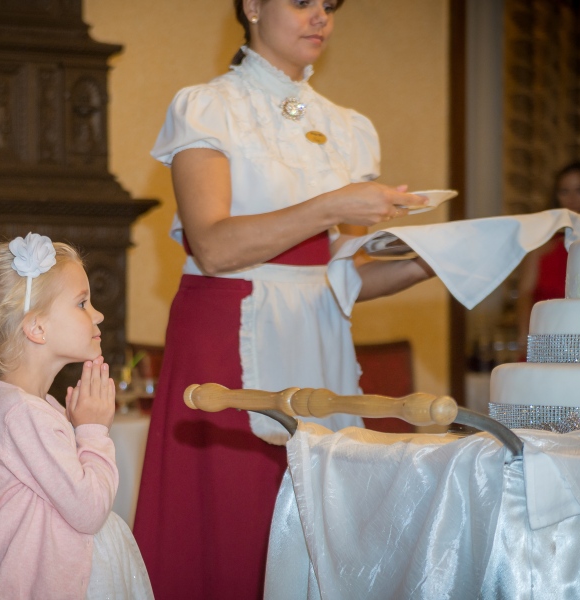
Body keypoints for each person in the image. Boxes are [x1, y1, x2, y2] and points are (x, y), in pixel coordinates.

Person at [131, 0, 436, 597]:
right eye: (301, 1)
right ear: (251, 5)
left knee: (322, 520)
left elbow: (344, 275)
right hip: (228, 332)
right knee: (233, 521)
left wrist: (442, 260)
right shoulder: (208, 106)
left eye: (329, 4)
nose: (320, 15)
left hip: (318, 334)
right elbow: (213, 246)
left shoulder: (349, 126)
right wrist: (333, 205)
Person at [0, 233, 152, 599]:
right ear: (37, 328)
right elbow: (89, 511)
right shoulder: (22, 414)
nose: (98, 314)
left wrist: (76, 427)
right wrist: (93, 431)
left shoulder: (30, 407)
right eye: (82, 303)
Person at [516, 162, 580, 353]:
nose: (572, 199)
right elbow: (525, 294)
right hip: (544, 339)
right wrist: (523, 335)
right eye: (564, 191)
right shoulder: (540, 244)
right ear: (556, 196)